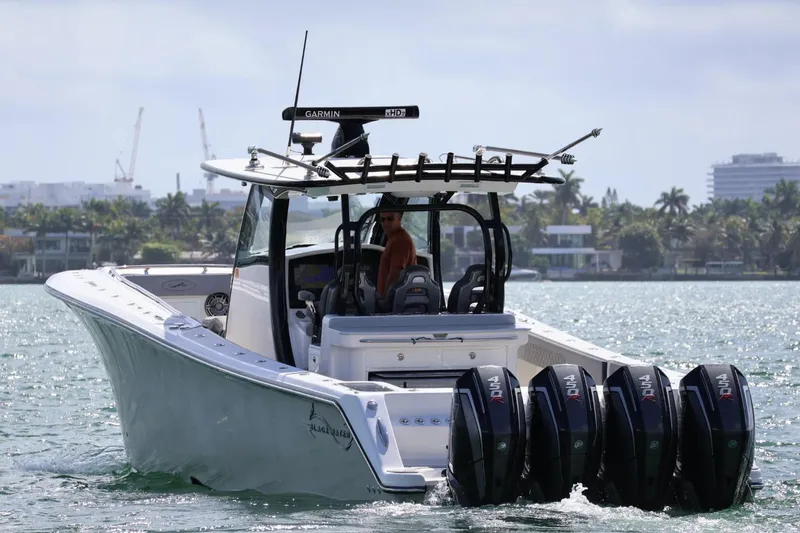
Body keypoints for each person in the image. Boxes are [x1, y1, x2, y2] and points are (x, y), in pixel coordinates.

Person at [376, 211, 417, 297]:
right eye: (382, 219)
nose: (385, 223)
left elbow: (396, 273)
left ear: (399, 219)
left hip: (394, 299)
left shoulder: (400, 240)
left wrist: (385, 298)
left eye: (390, 219)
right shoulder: (394, 238)